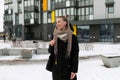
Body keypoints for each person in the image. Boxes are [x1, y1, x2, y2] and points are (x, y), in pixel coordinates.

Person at [46, 16, 79, 80]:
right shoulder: (55, 35)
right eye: (56, 22)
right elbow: (50, 52)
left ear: (65, 22)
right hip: (56, 68)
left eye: (59, 21)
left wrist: (74, 70)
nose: (57, 23)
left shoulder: (73, 37)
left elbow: (75, 55)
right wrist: (51, 45)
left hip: (68, 68)